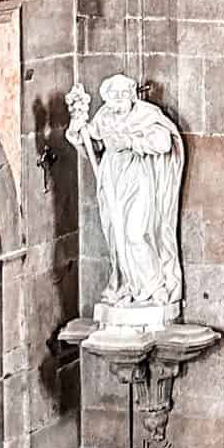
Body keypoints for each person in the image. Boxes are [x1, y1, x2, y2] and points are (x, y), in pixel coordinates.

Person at [68, 74, 186, 319]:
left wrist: (130, 141)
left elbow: (164, 142)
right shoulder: (104, 116)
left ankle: (154, 287)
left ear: (132, 94)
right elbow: (94, 147)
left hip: (138, 179)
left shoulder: (146, 114)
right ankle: (128, 286)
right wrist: (78, 131)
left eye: (124, 93)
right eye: (114, 94)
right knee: (116, 235)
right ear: (107, 97)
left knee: (135, 233)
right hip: (112, 181)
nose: (119, 98)